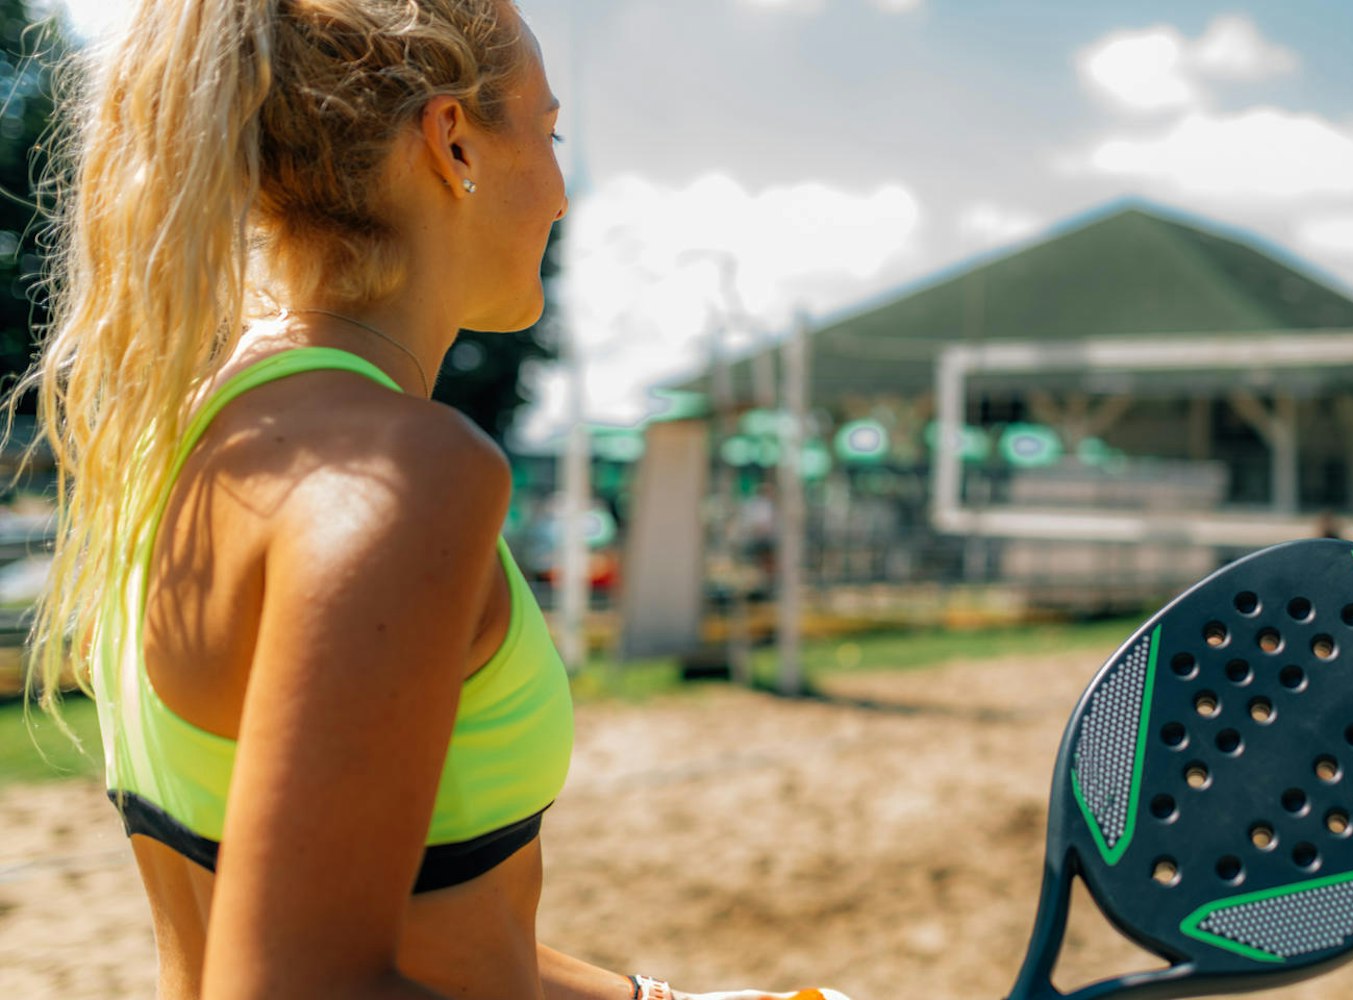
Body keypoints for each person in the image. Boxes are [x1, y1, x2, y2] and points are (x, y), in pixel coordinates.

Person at [16, 3, 845, 998]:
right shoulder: (400, 472)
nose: (561, 197)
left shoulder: (191, 432)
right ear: (453, 142)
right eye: (549, 134)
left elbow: (418, 935)